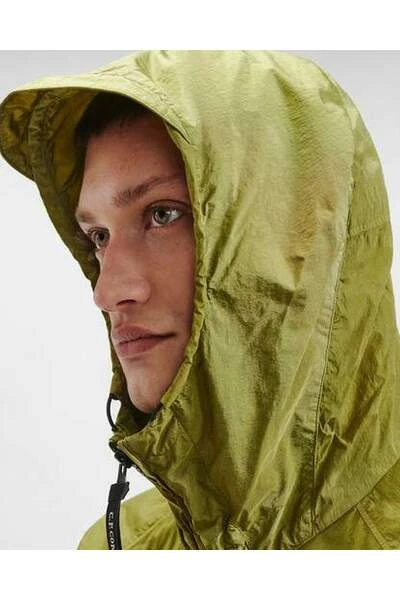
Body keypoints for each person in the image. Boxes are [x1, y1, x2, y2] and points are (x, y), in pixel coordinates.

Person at [0, 50, 399, 550]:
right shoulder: (118, 548)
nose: (107, 292)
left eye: (162, 215)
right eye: (99, 236)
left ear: (299, 238)